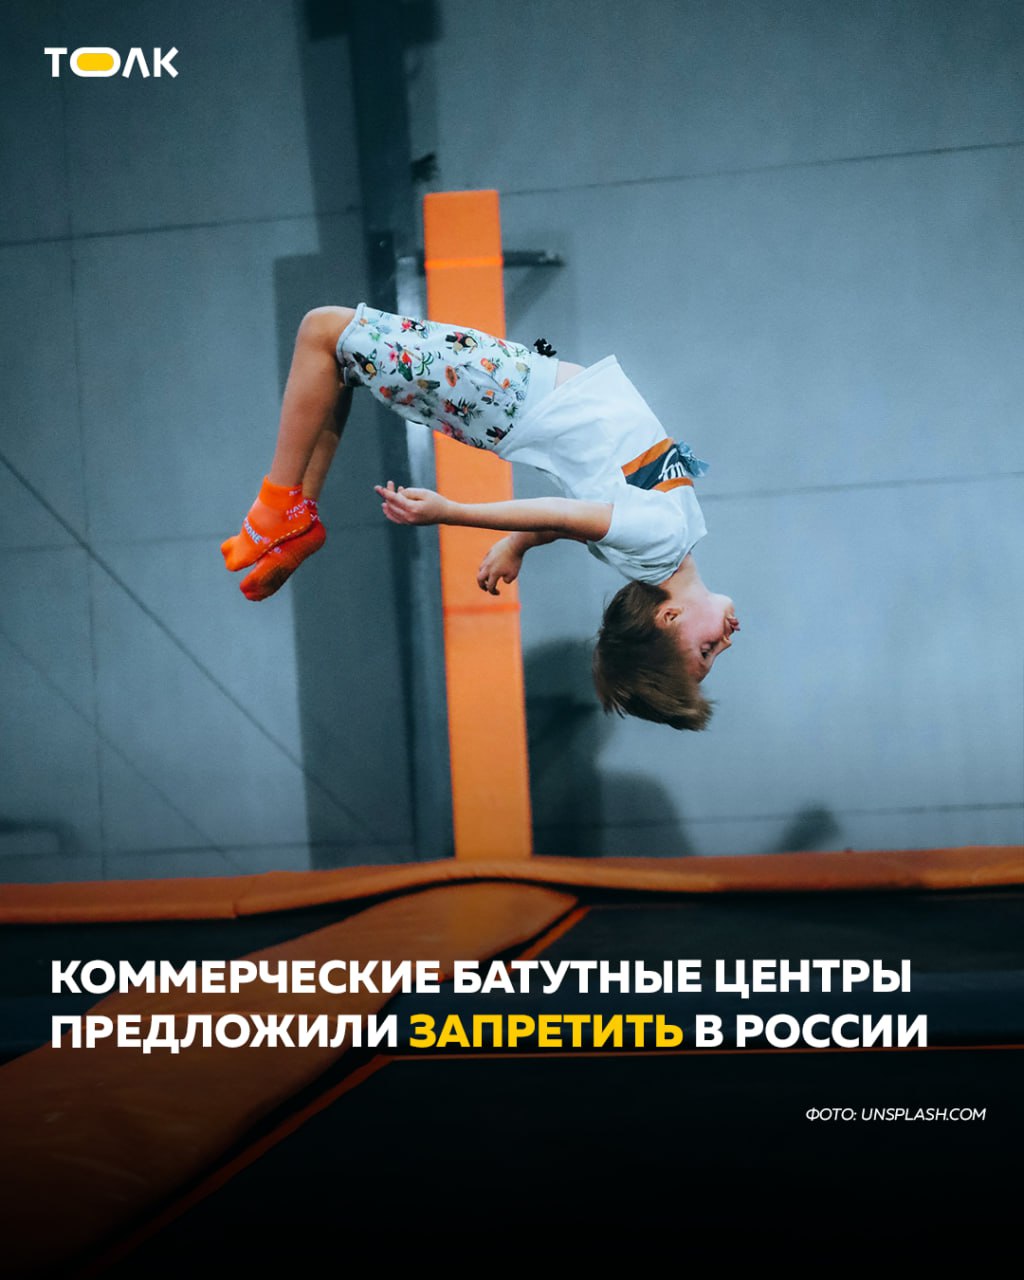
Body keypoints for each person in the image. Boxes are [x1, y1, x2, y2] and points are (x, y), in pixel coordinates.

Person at [221, 303, 739, 730]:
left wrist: (453, 511)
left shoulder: (661, 541)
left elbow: (563, 513)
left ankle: (278, 503)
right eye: (713, 653)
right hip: (513, 399)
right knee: (343, 362)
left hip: (509, 396)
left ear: (669, 618)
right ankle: (299, 514)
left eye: (707, 650)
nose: (726, 641)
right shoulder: (663, 552)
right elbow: (574, 518)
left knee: (322, 330)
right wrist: (517, 545)